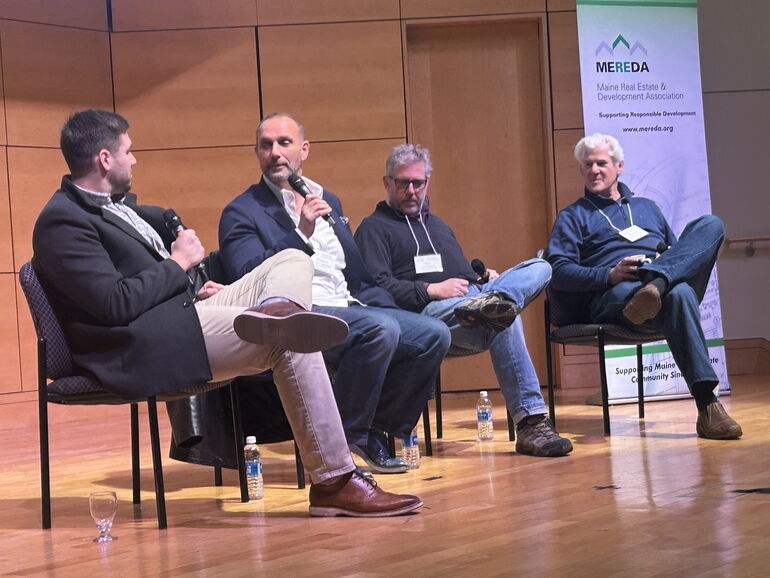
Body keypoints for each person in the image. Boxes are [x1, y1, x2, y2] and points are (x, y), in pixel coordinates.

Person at [32, 109, 423, 517]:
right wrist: (177, 265)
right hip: (140, 345)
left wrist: (193, 287)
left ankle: (278, 310)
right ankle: (335, 482)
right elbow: (114, 304)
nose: (134, 159)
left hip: (180, 314)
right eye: (128, 152)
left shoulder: (114, 208)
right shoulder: (63, 221)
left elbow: (139, 285)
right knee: (289, 339)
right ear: (105, 159)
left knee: (291, 256)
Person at [218, 113, 451, 473]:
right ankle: (344, 443)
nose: (275, 152)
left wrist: (391, 309)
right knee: (380, 330)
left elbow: (356, 276)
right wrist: (302, 232)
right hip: (300, 313)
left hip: (350, 306)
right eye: (266, 145)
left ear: (304, 150)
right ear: (257, 153)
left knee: (433, 335)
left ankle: (372, 429)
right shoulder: (241, 212)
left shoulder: (330, 200)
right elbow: (247, 276)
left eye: (284, 143)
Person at [354, 144, 573, 458]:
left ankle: (495, 300)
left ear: (428, 182)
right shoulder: (374, 228)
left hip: (469, 308)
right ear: (387, 183)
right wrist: (431, 290)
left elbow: (462, 271)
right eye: (403, 183)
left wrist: (483, 280)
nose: (411, 190)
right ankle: (531, 423)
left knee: (541, 267)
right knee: (504, 317)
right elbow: (376, 288)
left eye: (418, 182)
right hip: (425, 319)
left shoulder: (439, 226)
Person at [545, 133, 741, 440]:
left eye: (601, 163)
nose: (594, 170)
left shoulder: (648, 207)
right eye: (587, 165)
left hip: (655, 288)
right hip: (614, 295)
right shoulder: (573, 216)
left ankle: (658, 282)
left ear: (619, 166)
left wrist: (662, 266)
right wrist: (608, 275)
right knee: (680, 294)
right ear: (581, 171)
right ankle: (708, 406)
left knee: (711, 225)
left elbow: (681, 254)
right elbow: (557, 270)